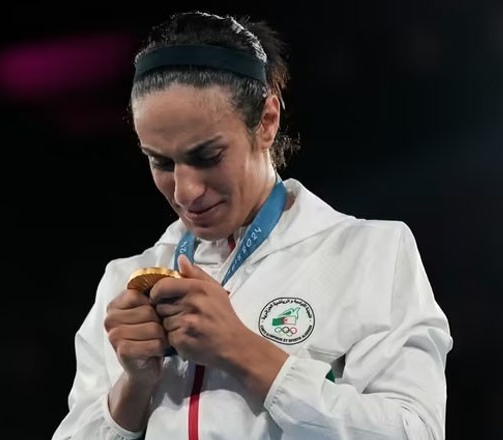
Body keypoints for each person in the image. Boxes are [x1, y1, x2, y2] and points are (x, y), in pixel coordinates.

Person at [51, 10, 452, 440]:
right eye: (161, 162)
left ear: (266, 121)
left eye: (206, 156)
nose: (185, 192)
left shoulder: (369, 253)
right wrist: (133, 388)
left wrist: (243, 350)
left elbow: (415, 431)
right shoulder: (124, 283)